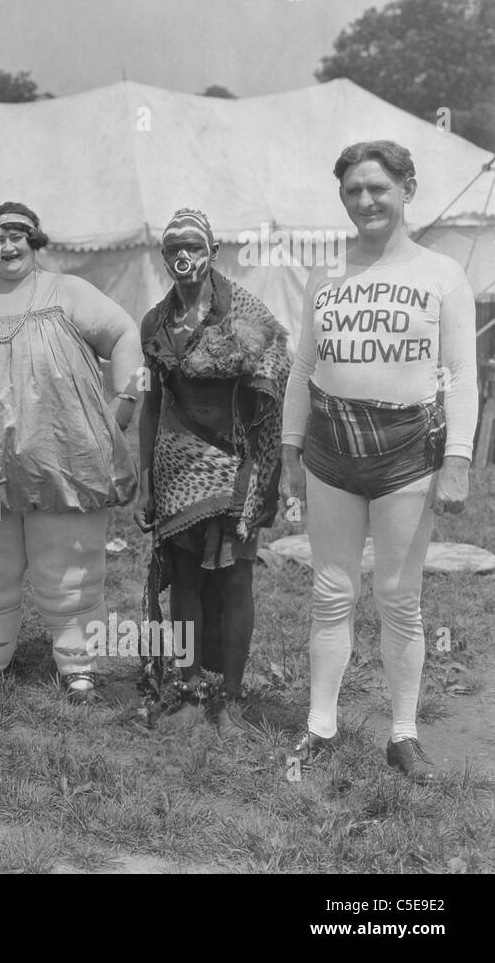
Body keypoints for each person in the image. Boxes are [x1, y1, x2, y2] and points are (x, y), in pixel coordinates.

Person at [282, 140, 477, 783]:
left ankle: (403, 734)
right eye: (352, 191)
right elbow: (303, 368)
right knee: (331, 591)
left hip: (408, 454)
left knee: (400, 597)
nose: (365, 201)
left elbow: (460, 375)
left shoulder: (440, 273)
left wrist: (457, 460)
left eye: (378, 189)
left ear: (407, 190)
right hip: (331, 449)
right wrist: (290, 447)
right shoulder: (327, 275)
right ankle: (320, 726)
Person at [0, 202, 141, 701]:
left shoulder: (68, 292)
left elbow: (124, 333)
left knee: (70, 558)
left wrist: (124, 403)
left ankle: (80, 665)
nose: (7, 246)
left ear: (35, 242)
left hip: (63, 459)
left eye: (17, 236)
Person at [137, 209, 290, 738]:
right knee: (184, 582)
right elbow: (153, 404)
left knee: (234, 579)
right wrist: (146, 478)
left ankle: (230, 697)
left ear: (212, 251)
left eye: (193, 246)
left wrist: (265, 467)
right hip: (177, 464)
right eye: (173, 247)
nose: (184, 256)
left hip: (235, 459)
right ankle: (186, 690)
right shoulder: (155, 323)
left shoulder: (242, 312)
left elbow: (273, 371)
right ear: (163, 257)